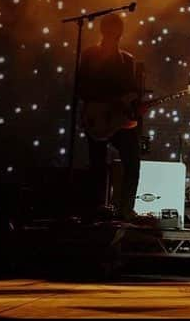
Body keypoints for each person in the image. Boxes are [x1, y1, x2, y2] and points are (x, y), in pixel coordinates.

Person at [77, 13, 144, 222]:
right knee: (97, 163)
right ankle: (98, 206)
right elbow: (81, 88)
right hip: (98, 116)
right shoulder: (89, 55)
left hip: (121, 120)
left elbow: (132, 90)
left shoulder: (127, 59)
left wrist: (135, 106)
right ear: (103, 30)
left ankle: (126, 208)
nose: (114, 32)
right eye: (111, 28)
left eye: (117, 28)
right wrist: (109, 101)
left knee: (132, 162)